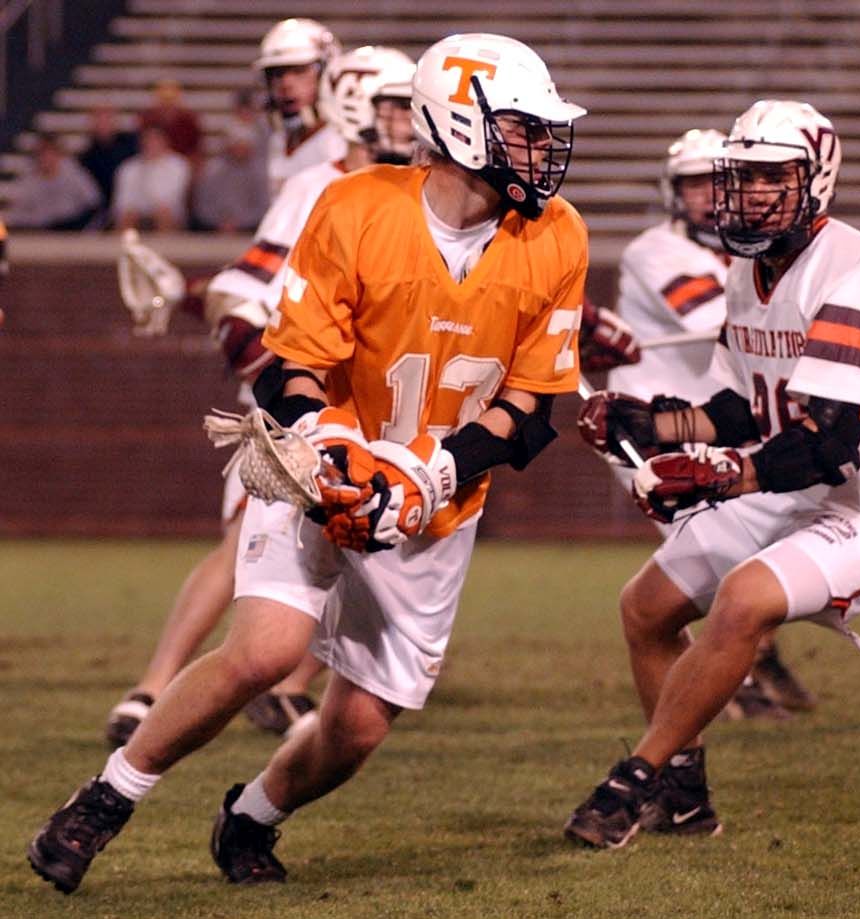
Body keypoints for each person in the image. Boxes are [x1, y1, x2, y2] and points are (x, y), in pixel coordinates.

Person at [31, 31, 587, 893]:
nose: (542, 145)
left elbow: (527, 406)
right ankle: (106, 798)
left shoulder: (558, 234)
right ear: (458, 124)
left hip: (437, 503)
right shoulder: (356, 205)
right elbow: (291, 366)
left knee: (358, 726)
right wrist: (333, 453)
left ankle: (251, 813)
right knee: (264, 651)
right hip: (321, 459)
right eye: (523, 126)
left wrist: (430, 475)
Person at [565, 99, 860, 848]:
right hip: (789, 489)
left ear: (816, 179)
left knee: (742, 601)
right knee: (646, 606)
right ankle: (684, 799)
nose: (751, 194)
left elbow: (828, 441)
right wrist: (652, 424)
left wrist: (718, 477)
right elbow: (743, 405)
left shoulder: (857, 270)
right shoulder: (750, 265)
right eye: (742, 177)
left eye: (773, 177)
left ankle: (634, 779)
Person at [103, 45, 419, 748]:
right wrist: (258, 354)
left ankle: (285, 687)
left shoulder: (414, 188)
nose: (411, 120)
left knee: (366, 544)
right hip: (308, 393)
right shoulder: (322, 184)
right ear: (357, 107)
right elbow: (250, 288)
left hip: (378, 398)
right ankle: (156, 689)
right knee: (251, 538)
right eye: (397, 106)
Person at [603, 127, 815, 719]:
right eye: (691, 184)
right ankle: (733, 677)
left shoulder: (755, 257)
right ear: (673, 192)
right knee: (704, 554)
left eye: (711, 183)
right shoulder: (656, 250)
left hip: (720, 423)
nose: (704, 196)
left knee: (755, 545)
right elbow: (716, 317)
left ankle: (756, 653)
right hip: (654, 425)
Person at [253, 17, 346, 196]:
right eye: (277, 73)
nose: (286, 84)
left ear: (328, 74)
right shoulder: (278, 140)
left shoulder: (342, 142)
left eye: (299, 71)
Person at [6, 133, 102, 230]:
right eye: (42, 154)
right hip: (40, 231)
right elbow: (17, 214)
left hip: (73, 230)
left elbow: (94, 203)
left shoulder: (74, 174)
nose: (46, 158)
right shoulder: (29, 181)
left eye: (51, 153)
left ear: (59, 155)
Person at [111, 124, 191, 231]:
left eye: (156, 140)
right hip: (136, 212)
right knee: (126, 217)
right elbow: (122, 200)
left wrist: (150, 168)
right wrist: (131, 210)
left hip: (168, 212)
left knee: (163, 214)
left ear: (165, 142)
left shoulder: (179, 165)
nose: (151, 144)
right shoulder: (128, 167)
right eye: (148, 140)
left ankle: (165, 241)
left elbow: (173, 199)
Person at [192, 123, 269, 232]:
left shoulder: (259, 175)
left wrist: (239, 223)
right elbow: (202, 206)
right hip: (213, 229)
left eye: (243, 146)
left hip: (248, 230)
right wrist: (219, 222)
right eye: (237, 145)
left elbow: (262, 208)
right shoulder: (212, 171)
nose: (240, 150)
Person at [78, 108, 138, 216]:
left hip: (133, 197)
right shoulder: (87, 156)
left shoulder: (132, 144)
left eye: (107, 120)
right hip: (105, 203)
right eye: (99, 121)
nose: (103, 125)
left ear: (115, 122)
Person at [138, 79, 203, 162]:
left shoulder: (188, 119)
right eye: (164, 100)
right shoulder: (147, 118)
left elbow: (194, 148)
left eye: (170, 100)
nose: (167, 105)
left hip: (182, 163)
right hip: (151, 160)